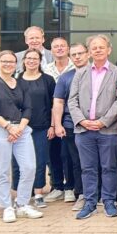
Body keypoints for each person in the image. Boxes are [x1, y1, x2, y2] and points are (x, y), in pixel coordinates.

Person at [68, 34, 117, 220]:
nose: (98, 50)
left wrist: (104, 121)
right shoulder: (80, 73)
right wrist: (82, 121)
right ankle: (90, 203)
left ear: (109, 50)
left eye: (102, 47)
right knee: (87, 168)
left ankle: (109, 201)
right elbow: (72, 100)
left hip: (108, 129)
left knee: (109, 166)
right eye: (94, 48)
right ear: (89, 52)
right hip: (84, 130)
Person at [0, 51, 43, 223]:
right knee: (2, 171)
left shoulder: (22, 84)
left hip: (22, 130)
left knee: (29, 167)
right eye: (4, 61)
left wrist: (19, 128)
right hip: (0, 130)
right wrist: (9, 127)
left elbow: (28, 108)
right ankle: (6, 206)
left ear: (16, 64)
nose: (8, 64)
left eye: (11, 61)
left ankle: (22, 204)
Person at [15, 49, 56, 208]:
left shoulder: (48, 80)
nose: (31, 61)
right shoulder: (17, 81)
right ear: (24, 61)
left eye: (35, 58)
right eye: (28, 58)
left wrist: (52, 125)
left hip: (42, 126)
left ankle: (38, 193)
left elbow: (55, 105)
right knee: (19, 162)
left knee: (39, 160)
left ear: (40, 61)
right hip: (21, 128)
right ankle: (21, 194)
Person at [52, 43, 89, 209]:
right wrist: (57, 124)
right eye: (74, 55)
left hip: (97, 125)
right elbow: (58, 102)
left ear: (87, 54)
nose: (77, 57)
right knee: (76, 162)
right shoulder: (65, 77)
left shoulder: (98, 74)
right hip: (70, 125)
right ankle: (81, 194)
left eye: (80, 53)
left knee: (97, 162)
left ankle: (101, 194)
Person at [41, 37, 73, 202]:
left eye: (62, 46)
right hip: (49, 117)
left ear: (68, 49)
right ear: (51, 50)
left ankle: (70, 187)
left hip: (70, 117)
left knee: (67, 153)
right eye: (56, 47)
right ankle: (57, 186)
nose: (59, 49)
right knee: (52, 152)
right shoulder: (45, 69)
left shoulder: (76, 67)